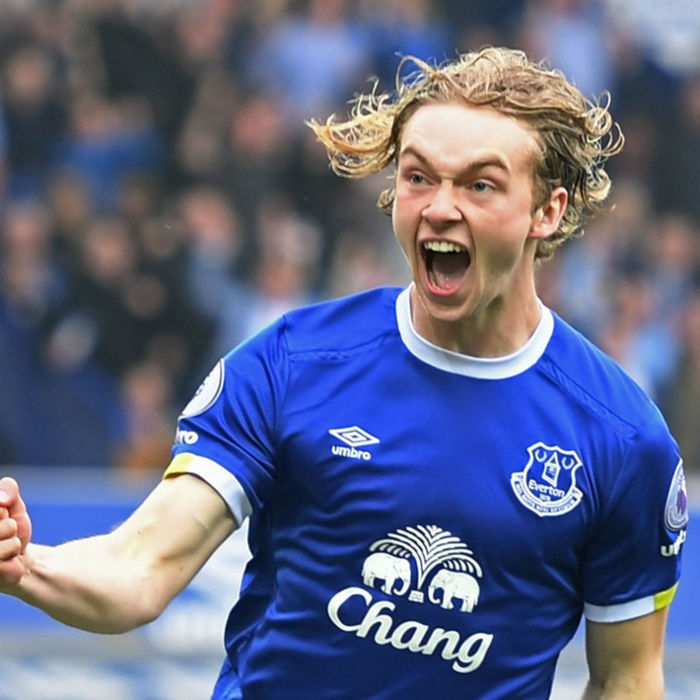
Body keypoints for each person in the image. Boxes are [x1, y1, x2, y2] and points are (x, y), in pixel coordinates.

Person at [0, 46, 689, 699]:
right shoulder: (292, 363)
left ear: (547, 210)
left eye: (480, 185)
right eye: (418, 177)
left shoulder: (622, 440)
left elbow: (627, 680)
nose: (439, 207)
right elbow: (140, 569)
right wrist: (24, 564)